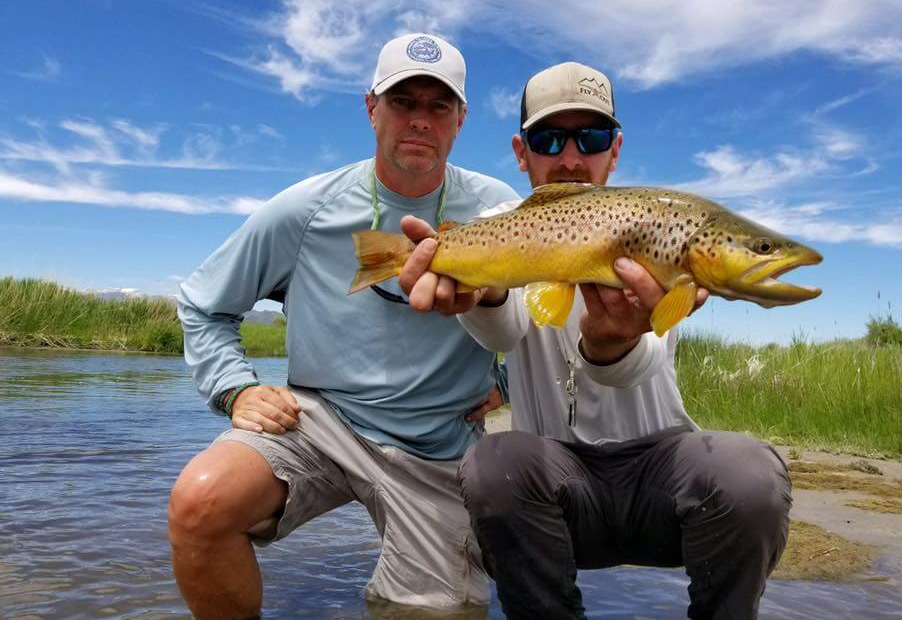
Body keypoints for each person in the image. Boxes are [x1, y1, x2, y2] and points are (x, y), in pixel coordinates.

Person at [398, 61, 793, 619]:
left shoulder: (655, 224)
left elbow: (648, 358)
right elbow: (505, 325)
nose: (570, 156)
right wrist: (480, 293)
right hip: (551, 489)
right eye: (548, 137)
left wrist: (612, 344)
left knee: (749, 476)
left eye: (592, 136)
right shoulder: (499, 227)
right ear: (520, 151)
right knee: (493, 464)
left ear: (616, 149)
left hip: (663, 483)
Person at [167, 32, 519, 619]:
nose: (420, 121)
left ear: (461, 118)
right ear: (371, 108)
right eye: (403, 102)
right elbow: (204, 304)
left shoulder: (498, 209)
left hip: (440, 444)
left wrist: (508, 387)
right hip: (317, 421)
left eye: (438, 106)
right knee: (200, 504)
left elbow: (538, 325)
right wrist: (236, 388)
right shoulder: (303, 210)